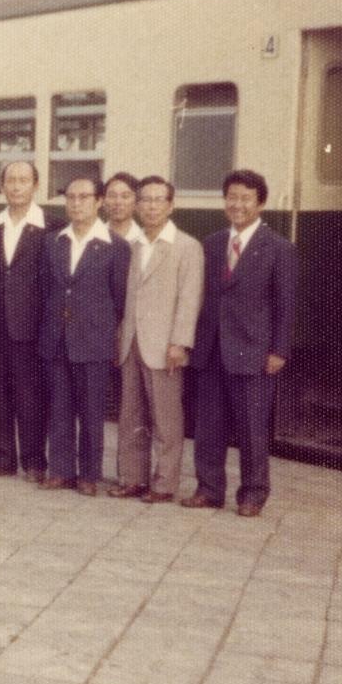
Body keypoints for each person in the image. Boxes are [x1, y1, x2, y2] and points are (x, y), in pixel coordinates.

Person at [183, 169, 297, 517]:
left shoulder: (278, 249)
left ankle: (252, 494)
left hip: (253, 350)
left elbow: (285, 304)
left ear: (260, 203)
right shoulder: (213, 243)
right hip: (212, 348)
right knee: (209, 426)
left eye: (246, 198)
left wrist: (278, 350)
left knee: (251, 427)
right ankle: (209, 489)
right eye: (232, 197)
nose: (237, 204)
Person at [110, 176, 204, 503]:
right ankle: (132, 478)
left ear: (170, 205)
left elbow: (190, 298)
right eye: (145, 200)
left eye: (158, 200)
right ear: (137, 206)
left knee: (166, 419)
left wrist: (179, 342)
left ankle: (164, 484)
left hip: (165, 347)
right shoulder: (134, 246)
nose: (151, 206)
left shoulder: (186, 246)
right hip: (132, 343)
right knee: (130, 416)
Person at [37, 176, 130, 496]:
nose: (76, 203)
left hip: (93, 341)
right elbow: (46, 289)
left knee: (92, 411)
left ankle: (89, 474)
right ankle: (60, 470)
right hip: (56, 338)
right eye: (71, 197)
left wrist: (103, 331)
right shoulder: (53, 241)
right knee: (59, 407)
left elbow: (119, 299)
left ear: (99, 201)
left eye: (84, 197)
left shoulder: (116, 247)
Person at [0, 161, 54, 482]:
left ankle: (35, 461)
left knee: (31, 395)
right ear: (2, 186)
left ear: (35, 185)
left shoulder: (51, 227)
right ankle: (2, 458)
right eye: (10, 180)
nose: (16, 186)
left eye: (23, 180)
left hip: (32, 327)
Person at [104, 171, 144, 246]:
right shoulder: (94, 237)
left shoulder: (143, 240)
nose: (118, 202)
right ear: (103, 201)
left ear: (136, 202)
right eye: (112, 196)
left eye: (125, 196)